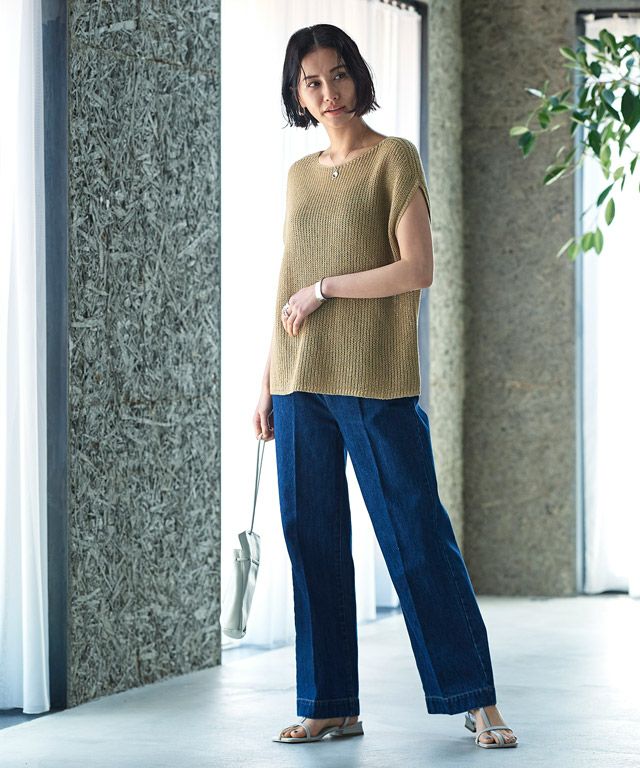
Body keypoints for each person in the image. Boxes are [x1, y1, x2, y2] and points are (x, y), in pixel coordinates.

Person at [252, 23, 518, 750]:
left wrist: (325, 289)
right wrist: (267, 381)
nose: (328, 92)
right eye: (312, 81)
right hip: (299, 379)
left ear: (357, 77)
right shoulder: (299, 175)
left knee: (416, 535)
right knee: (313, 542)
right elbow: (285, 281)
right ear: (296, 94)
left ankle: (476, 698)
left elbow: (416, 269)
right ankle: (330, 703)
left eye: (338, 74)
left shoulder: (393, 158)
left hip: (374, 376)